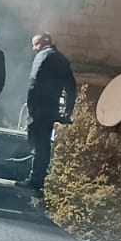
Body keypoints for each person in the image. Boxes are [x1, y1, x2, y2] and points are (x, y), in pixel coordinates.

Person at [14, 32, 78, 199]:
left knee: (36, 143)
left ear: (43, 42)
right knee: (44, 144)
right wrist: (68, 110)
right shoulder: (62, 59)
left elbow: (34, 82)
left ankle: (34, 179)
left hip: (39, 107)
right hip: (52, 108)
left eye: (35, 44)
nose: (33, 48)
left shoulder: (42, 56)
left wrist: (31, 105)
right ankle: (40, 178)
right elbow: (71, 86)